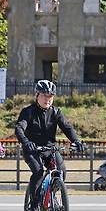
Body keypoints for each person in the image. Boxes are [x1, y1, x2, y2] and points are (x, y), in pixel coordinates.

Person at [15, 80, 86, 211]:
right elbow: (19, 128)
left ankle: (51, 193)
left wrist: (76, 141)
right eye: (44, 95)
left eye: (50, 96)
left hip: (50, 149)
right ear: (37, 95)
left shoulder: (56, 112)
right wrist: (26, 142)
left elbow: (67, 127)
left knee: (61, 170)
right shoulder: (28, 112)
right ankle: (35, 204)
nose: (47, 99)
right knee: (38, 171)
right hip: (32, 150)